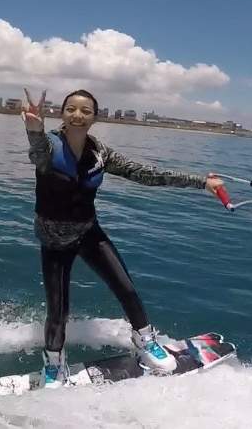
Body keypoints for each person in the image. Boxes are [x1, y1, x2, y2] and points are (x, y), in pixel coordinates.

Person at [21, 88, 225, 388]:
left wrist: (201, 183)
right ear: (62, 113)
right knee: (58, 310)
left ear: (95, 117)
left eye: (85, 110)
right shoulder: (50, 146)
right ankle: (54, 362)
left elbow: (146, 174)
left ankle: (145, 341)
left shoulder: (100, 153)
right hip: (54, 239)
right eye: (71, 109)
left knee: (126, 289)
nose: (78, 115)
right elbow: (37, 154)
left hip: (89, 232)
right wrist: (33, 129)